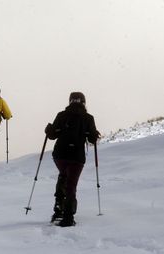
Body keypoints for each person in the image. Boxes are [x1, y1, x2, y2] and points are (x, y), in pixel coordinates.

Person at [45, 92, 100, 227]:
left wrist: (48, 129)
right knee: (71, 184)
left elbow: (52, 135)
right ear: (83, 102)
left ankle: (58, 210)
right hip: (76, 156)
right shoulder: (88, 118)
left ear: (70, 101)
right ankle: (68, 216)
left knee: (63, 176)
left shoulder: (61, 115)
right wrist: (94, 134)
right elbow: (92, 139)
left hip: (60, 155)